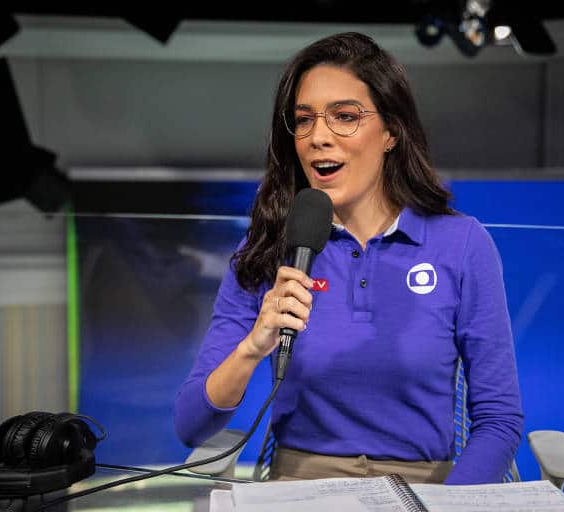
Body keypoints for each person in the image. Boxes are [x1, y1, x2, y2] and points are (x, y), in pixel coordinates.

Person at [174, 32, 523, 485]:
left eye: (344, 117)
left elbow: (499, 420)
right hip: (301, 487)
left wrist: (448, 505)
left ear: (391, 133)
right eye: (304, 120)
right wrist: (252, 347)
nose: (318, 137)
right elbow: (190, 426)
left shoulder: (461, 244)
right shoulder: (265, 252)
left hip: (425, 491)